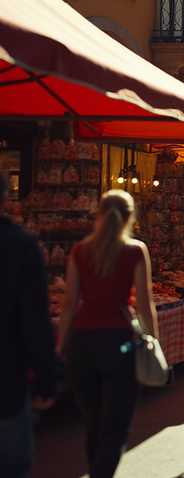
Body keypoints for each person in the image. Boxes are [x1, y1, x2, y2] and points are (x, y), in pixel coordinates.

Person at [57, 190, 160, 476]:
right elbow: (144, 303)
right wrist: (153, 343)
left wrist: (60, 347)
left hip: (82, 345)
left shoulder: (79, 250)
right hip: (119, 343)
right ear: (130, 218)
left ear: (98, 214)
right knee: (115, 431)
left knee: (94, 425)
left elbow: (68, 305)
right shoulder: (136, 250)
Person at [0, 173, 58, 478]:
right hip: (6, 382)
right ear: (6, 200)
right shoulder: (21, 246)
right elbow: (36, 319)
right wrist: (47, 379)